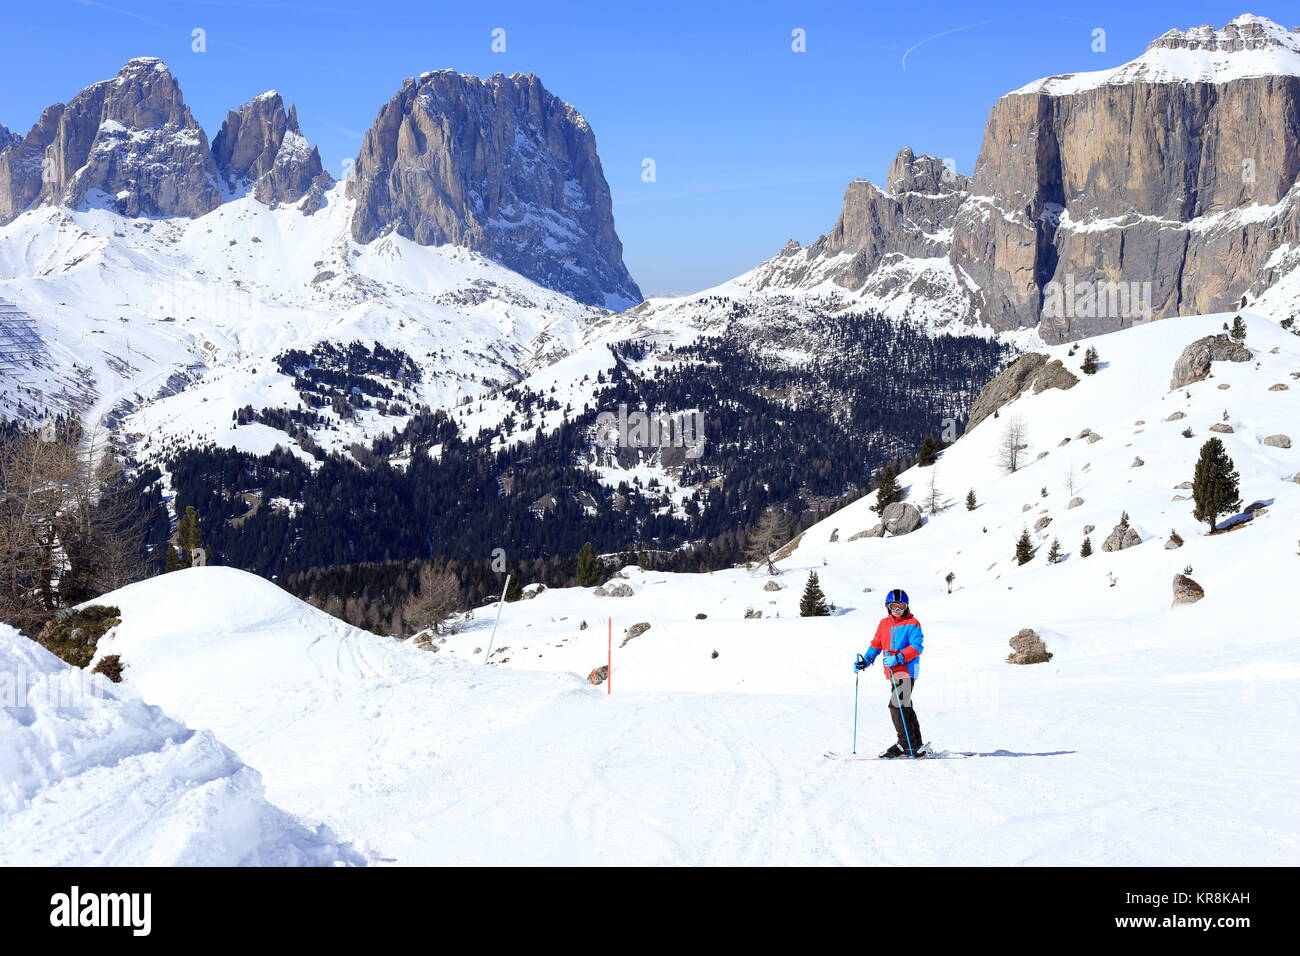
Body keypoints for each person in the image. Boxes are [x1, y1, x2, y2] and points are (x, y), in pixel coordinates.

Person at [855, 588, 928, 758]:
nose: (898, 610)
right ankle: (915, 744)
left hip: (907, 671)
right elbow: (876, 645)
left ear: (907, 606)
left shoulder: (913, 623)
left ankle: (905, 745)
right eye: (893, 606)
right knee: (904, 706)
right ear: (888, 607)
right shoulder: (884, 623)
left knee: (896, 705)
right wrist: (866, 661)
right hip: (892, 672)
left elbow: (917, 646)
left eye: (901, 606)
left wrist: (900, 657)